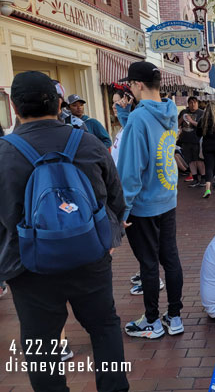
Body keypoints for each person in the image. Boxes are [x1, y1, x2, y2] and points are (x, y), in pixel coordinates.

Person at [0, 71, 129, 391]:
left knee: (40, 344)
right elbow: (117, 199)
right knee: (104, 327)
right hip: (89, 257)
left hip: (27, 265)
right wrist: (108, 241)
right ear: (60, 103)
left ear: (15, 107)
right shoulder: (86, 142)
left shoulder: (3, 153)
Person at [116, 61, 184, 339]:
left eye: (130, 84)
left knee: (148, 263)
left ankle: (153, 322)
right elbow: (153, 143)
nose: (129, 88)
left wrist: (122, 210)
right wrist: (124, 113)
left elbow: (132, 170)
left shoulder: (139, 119)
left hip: (143, 205)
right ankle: (175, 316)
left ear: (138, 85)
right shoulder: (171, 111)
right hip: (167, 198)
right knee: (171, 259)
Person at [178, 96, 205, 187]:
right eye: (190, 103)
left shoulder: (201, 113)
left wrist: (191, 121)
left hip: (197, 140)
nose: (192, 105)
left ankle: (203, 178)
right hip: (185, 140)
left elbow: (202, 126)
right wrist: (182, 118)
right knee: (190, 161)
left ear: (197, 103)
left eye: (194, 102)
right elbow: (177, 124)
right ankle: (195, 178)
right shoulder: (184, 112)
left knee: (199, 160)